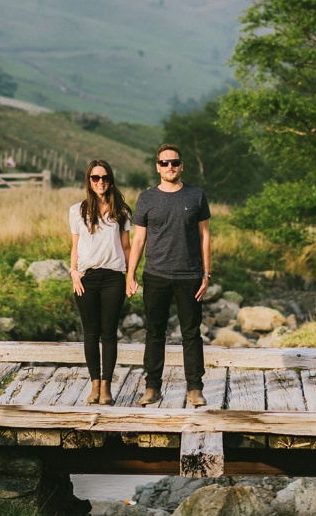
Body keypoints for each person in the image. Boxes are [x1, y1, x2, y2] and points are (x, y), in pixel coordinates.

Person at [126, 143, 211, 407]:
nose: (170, 167)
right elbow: (138, 240)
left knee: (191, 333)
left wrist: (207, 274)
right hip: (156, 275)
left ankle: (194, 388)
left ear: (181, 166)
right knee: (154, 332)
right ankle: (152, 387)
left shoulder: (196, 196)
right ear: (157, 167)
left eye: (174, 162)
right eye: (164, 163)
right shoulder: (146, 198)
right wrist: (131, 273)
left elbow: (204, 236)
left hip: (190, 276)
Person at [69, 158, 132, 405]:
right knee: (90, 332)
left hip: (114, 277)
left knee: (109, 334)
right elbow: (75, 246)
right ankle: (94, 384)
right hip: (87, 277)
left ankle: (106, 386)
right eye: (96, 178)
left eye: (105, 177)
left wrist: (131, 276)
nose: (101, 182)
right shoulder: (77, 210)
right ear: (89, 181)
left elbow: (126, 247)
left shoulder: (122, 211)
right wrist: (73, 271)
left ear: (110, 180)